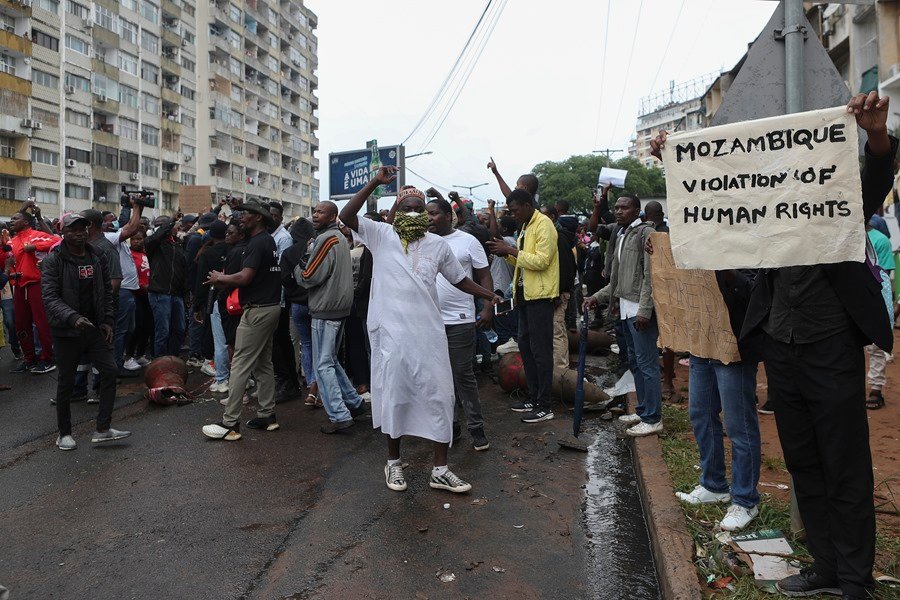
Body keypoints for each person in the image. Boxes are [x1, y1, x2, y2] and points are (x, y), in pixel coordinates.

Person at [657, 91, 898, 600]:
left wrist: (876, 135)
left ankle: (855, 582)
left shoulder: (836, 204)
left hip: (831, 346)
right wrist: (675, 162)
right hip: (781, 350)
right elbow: (714, 201)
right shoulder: (760, 216)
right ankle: (825, 569)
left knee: (845, 465)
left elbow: (873, 182)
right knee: (803, 463)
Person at [339, 168, 499, 494]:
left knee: (439, 395)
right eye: (407, 207)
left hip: (429, 333)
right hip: (392, 335)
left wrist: (488, 296)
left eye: (419, 208)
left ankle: (440, 469)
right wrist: (374, 182)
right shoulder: (381, 236)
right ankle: (393, 463)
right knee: (395, 395)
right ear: (395, 212)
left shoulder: (438, 245)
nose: (413, 213)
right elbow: (346, 214)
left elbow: (459, 279)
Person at [41, 214, 131, 450]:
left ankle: (103, 428)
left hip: (93, 329)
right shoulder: (54, 261)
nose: (79, 233)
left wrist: (108, 320)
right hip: (66, 331)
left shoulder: (96, 256)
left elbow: (106, 292)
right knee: (66, 383)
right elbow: (50, 298)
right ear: (63, 233)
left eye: (82, 229)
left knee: (110, 371)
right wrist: (72, 318)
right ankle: (64, 433)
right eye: (73, 230)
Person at [202, 199, 283, 441]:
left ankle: (230, 423)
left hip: (258, 310)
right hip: (268, 308)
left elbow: (246, 277)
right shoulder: (265, 240)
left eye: (246, 214)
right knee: (263, 364)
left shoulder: (258, 243)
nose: (241, 218)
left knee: (239, 364)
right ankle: (267, 415)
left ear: (258, 217)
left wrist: (221, 278)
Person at [583, 194, 661, 437]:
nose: (618, 211)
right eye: (616, 207)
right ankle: (643, 410)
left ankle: (653, 418)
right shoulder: (621, 234)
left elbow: (651, 277)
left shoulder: (646, 234)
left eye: (624, 207)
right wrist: (597, 296)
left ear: (637, 210)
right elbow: (617, 281)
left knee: (647, 364)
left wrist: (645, 310)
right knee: (636, 362)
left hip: (639, 310)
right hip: (625, 310)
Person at [486, 189, 560, 424]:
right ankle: (534, 397)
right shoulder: (526, 226)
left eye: (516, 210)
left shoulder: (544, 224)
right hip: (525, 297)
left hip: (540, 297)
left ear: (528, 205)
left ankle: (545, 404)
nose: (513, 214)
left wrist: (511, 250)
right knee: (527, 350)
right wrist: (505, 254)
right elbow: (524, 260)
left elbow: (541, 261)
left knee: (541, 352)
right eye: (511, 211)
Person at [296, 201, 368, 432]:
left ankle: (339, 416)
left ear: (333, 216)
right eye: (314, 211)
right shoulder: (337, 238)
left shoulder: (326, 239)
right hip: (337, 308)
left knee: (323, 364)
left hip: (327, 309)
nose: (315, 215)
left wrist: (298, 265)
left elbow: (310, 275)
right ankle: (355, 404)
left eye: (321, 212)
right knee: (331, 360)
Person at [427, 197, 492, 451]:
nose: (429, 218)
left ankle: (476, 428)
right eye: (426, 214)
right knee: (439, 378)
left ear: (447, 215)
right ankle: (449, 426)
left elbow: (484, 275)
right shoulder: (424, 242)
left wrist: (487, 306)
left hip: (460, 320)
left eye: (433, 214)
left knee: (462, 375)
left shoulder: (468, 241)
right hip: (430, 321)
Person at [7, 201, 59, 374]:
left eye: (16, 218)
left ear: (26, 222)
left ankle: (48, 359)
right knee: (20, 324)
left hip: (36, 284)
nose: (12, 221)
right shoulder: (11, 241)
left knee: (41, 323)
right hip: (19, 285)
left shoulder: (36, 235)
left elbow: (56, 242)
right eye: (11, 219)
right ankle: (29, 359)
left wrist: (35, 246)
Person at [280, 217, 319, 406]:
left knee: (306, 343)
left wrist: (294, 289)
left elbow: (284, 279)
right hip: (315, 302)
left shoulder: (288, 253)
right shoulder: (317, 250)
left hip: (296, 304)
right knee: (320, 345)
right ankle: (317, 386)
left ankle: (310, 379)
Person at [268, 202, 301, 403]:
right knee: (276, 343)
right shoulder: (270, 236)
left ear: (280, 218)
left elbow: (282, 270)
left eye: (274, 215)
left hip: (279, 298)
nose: (270, 217)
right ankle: (284, 381)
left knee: (281, 343)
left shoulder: (283, 238)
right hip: (270, 297)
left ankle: (288, 383)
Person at [194, 220, 231, 394]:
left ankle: (218, 371)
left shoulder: (208, 254)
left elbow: (201, 280)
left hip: (215, 297)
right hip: (231, 298)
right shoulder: (233, 249)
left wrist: (196, 305)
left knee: (217, 336)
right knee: (227, 338)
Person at [145, 215, 188, 357]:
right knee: (162, 331)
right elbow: (156, 236)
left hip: (176, 294)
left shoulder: (177, 244)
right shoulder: (154, 244)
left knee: (179, 329)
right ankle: (160, 363)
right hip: (160, 293)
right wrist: (170, 222)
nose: (176, 227)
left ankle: (172, 360)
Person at [540, 205, 576, 369]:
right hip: (550, 293)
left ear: (553, 218)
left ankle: (561, 370)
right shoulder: (550, 235)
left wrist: (558, 293)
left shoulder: (558, 237)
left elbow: (565, 268)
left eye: (544, 215)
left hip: (557, 294)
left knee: (557, 331)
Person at [864, 219, 894, 410]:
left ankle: (876, 388)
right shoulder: (844, 235)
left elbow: (885, 272)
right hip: (852, 295)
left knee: (876, 346)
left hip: (876, 294)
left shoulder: (881, 240)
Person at [124, 230, 152, 367]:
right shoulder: (128, 255)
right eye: (133, 239)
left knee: (147, 325)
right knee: (136, 326)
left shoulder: (147, 254)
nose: (136, 241)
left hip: (149, 294)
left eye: (139, 239)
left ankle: (140, 354)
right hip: (135, 294)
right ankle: (128, 356)